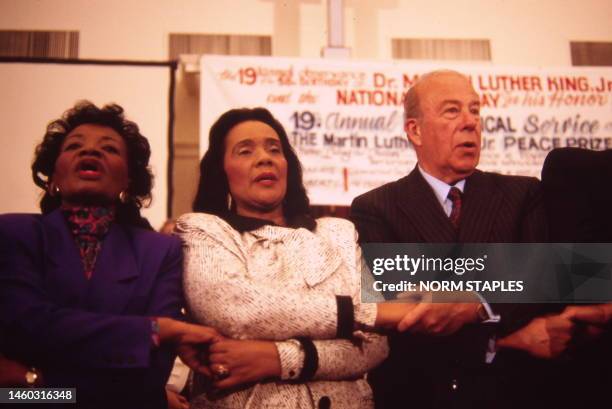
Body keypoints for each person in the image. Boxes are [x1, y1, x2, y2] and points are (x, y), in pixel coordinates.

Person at [350, 70, 564, 408]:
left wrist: (475, 302)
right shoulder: (374, 208)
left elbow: (544, 279)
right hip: (421, 394)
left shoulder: (523, 193)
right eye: (452, 111)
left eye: (475, 110)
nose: (470, 123)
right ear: (415, 130)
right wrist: (505, 331)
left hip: (513, 393)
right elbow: (412, 306)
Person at [0, 102, 220, 408]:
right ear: (53, 176)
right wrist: (153, 330)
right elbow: (22, 327)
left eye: (110, 149)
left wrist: (34, 382)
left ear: (128, 180)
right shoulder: (13, 233)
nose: (90, 152)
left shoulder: (160, 251)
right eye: (74, 146)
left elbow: (149, 382)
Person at [176, 107, 392, 409]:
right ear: (221, 172)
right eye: (245, 151)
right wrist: (358, 315)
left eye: (274, 149)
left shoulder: (339, 233)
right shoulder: (203, 230)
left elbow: (376, 345)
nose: (264, 158)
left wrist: (280, 359)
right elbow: (237, 310)